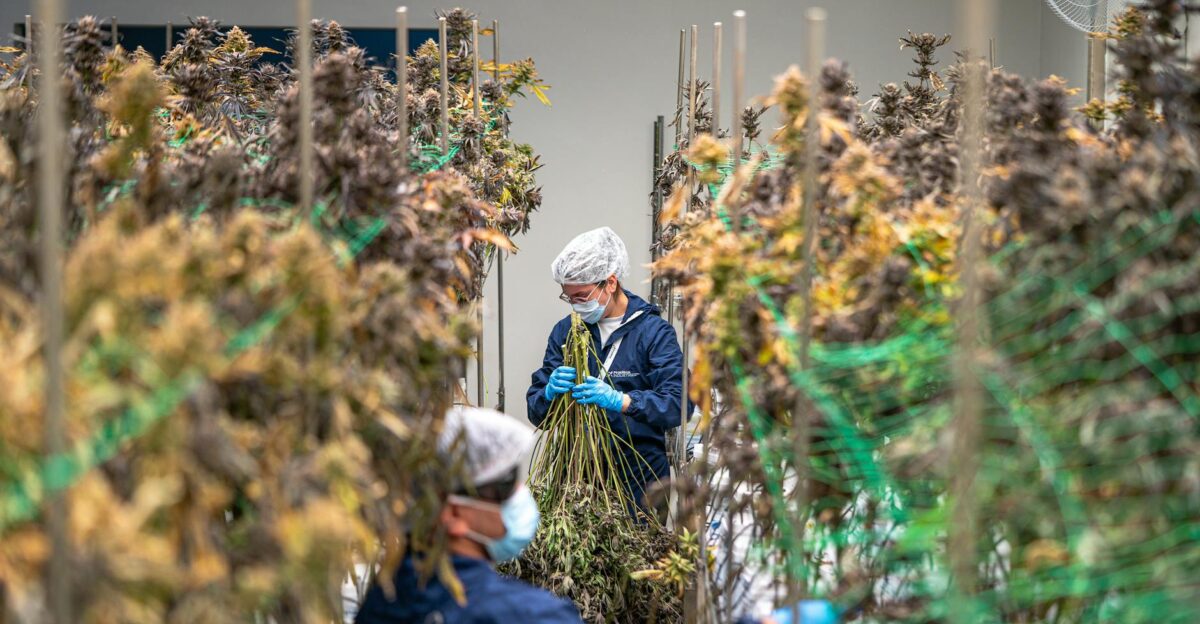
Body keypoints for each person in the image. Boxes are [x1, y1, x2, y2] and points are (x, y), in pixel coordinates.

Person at [355, 406, 581, 623]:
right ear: (452, 514)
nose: (521, 493)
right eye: (505, 486)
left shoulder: (379, 605)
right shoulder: (533, 616)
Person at [527, 226, 692, 513]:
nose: (576, 305)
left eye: (582, 296)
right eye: (569, 298)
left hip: (639, 478)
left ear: (611, 283)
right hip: (579, 476)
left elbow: (680, 404)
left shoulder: (653, 333)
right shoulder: (566, 332)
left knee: (639, 540)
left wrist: (622, 401)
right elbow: (538, 414)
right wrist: (548, 395)